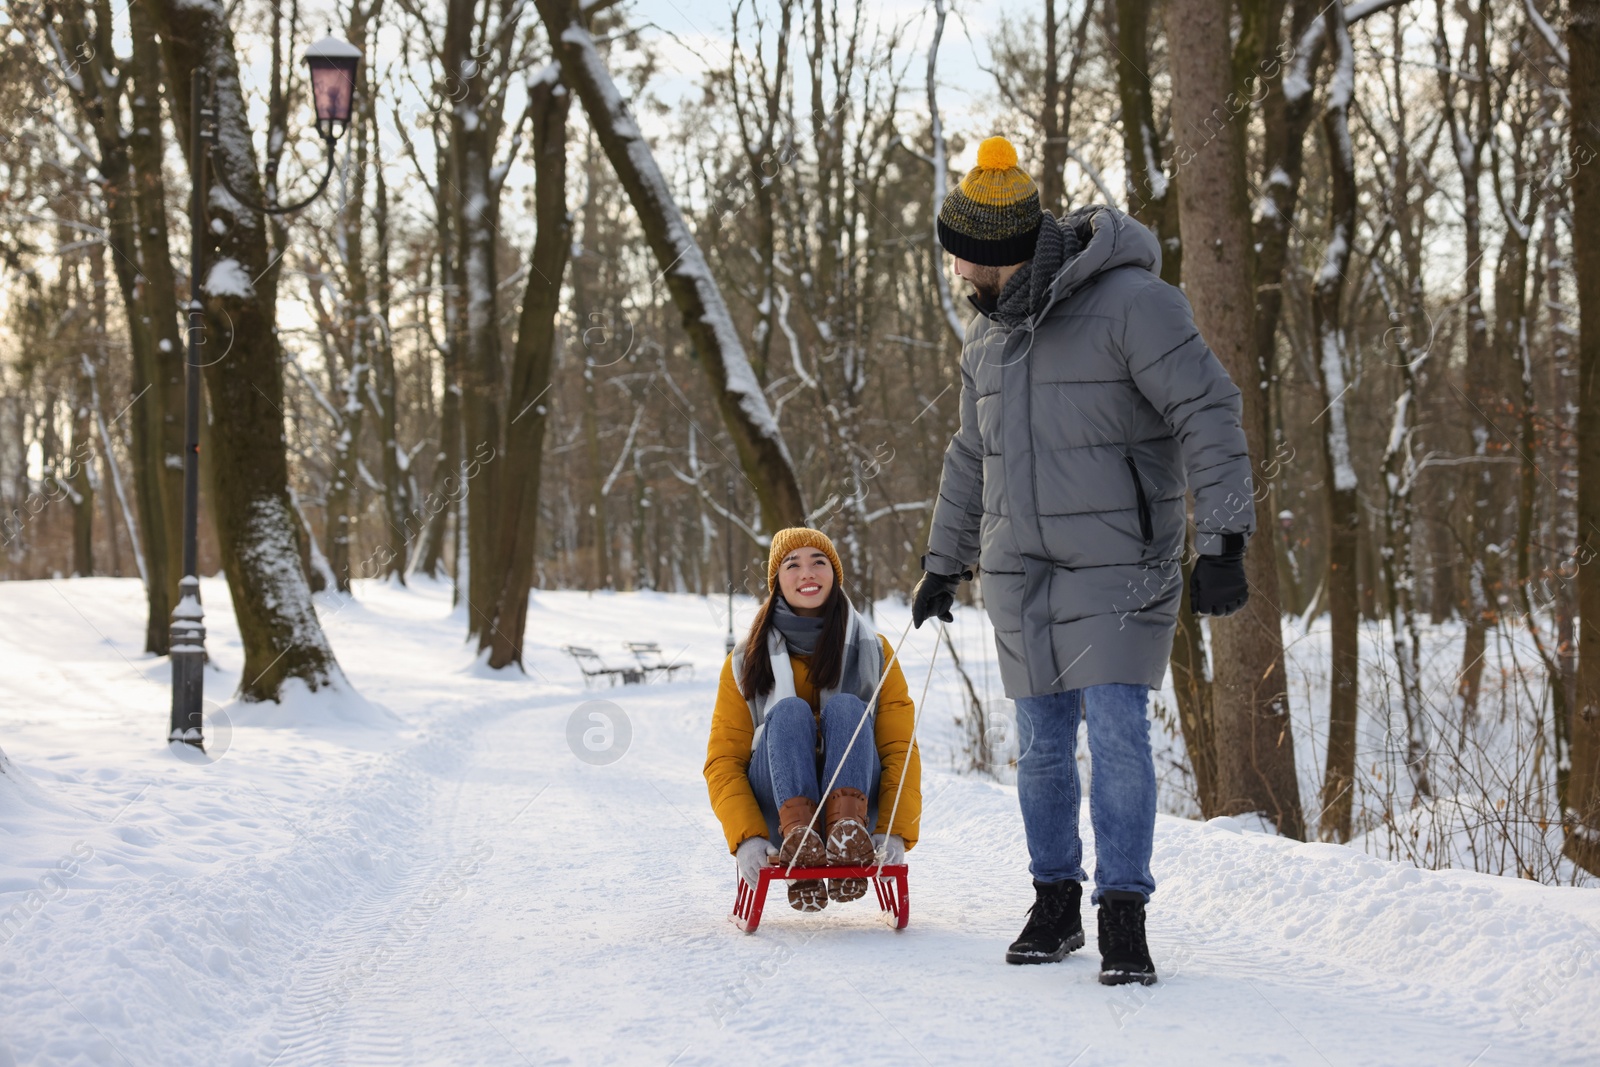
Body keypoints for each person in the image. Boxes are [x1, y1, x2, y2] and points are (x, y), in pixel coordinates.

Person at [911, 136, 1254, 986]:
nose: (957, 273)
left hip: (1118, 560)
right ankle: (1056, 900)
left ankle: (1124, 912)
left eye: (963, 257)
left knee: (1117, 733)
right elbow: (969, 456)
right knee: (1041, 746)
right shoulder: (988, 342)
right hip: (1021, 572)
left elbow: (1208, 409)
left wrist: (1224, 537)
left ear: (1000, 252)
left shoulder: (1135, 303)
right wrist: (941, 562)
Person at [705, 528, 921, 912]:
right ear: (777, 582)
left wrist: (892, 831)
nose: (807, 573)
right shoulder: (743, 661)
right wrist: (748, 838)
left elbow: (899, 747)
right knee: (788, 712)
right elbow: (724, 760)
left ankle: (845, 833)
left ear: (834, 575)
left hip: (860, 806)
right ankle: (801, 838)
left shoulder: (876, 651)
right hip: (776, 809)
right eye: (793, 564)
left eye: (818, 562)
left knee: (848, 709)